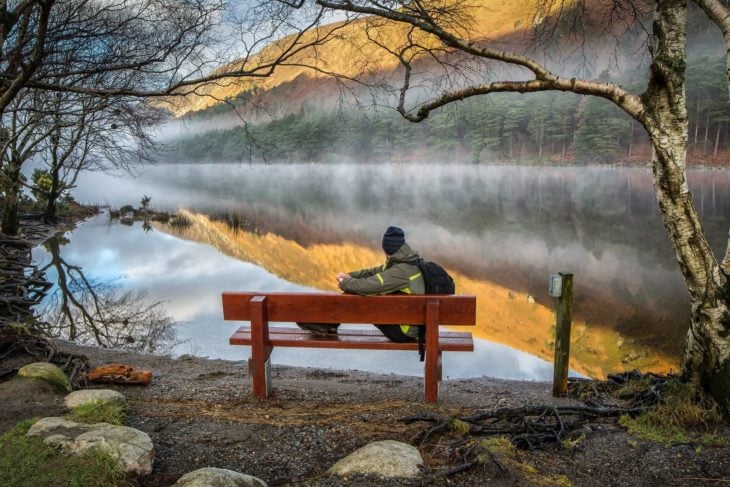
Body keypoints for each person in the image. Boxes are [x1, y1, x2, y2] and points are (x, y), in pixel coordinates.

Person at [296, 226, 425, 341]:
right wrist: (351, 276)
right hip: (410, 324)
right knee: (364, 296)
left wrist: (346, 283)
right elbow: (373, 272)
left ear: (387, 248)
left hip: (405, 332)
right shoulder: (406, 263)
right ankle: (328, 324)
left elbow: (368, 286)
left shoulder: (400, 270)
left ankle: (326, 323)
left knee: (364, 298)